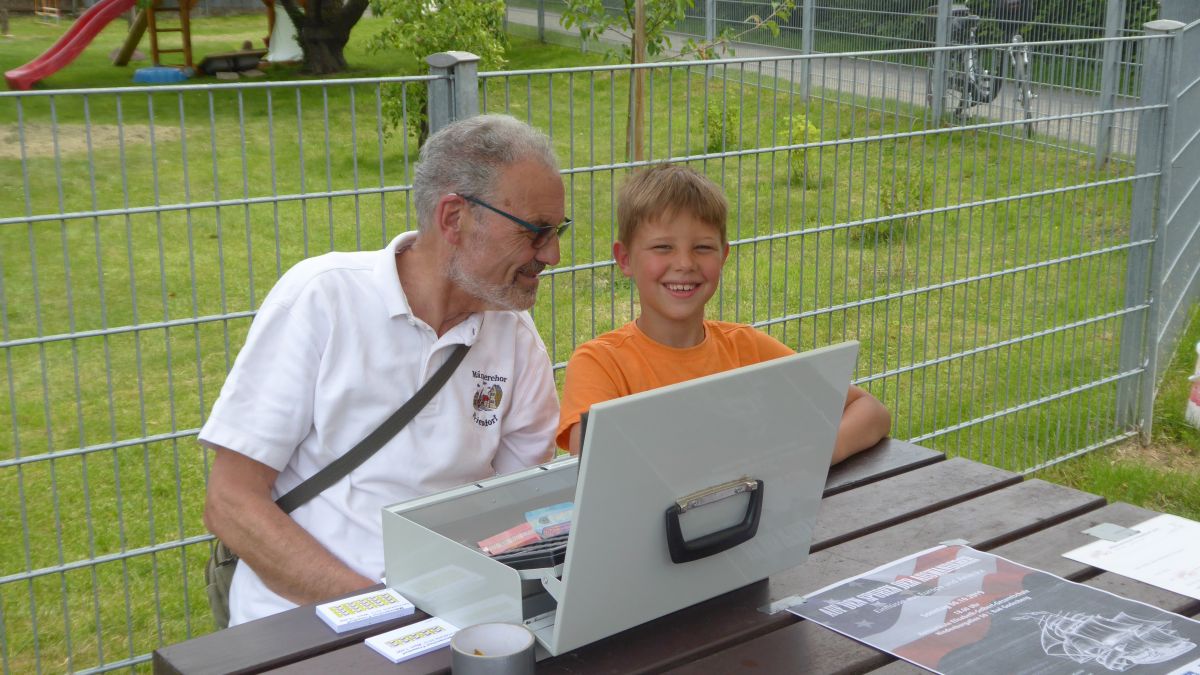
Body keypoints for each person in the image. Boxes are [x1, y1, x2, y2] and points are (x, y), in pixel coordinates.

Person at [201, 114, 568, 626]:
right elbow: (230, 502)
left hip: (445, 621)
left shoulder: (515, 337)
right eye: (535, 232)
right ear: (454, 218)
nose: (552, 254)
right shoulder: (324, 298)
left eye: (558, 231)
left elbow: (517, 510)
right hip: (304, 625)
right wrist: (384, 613)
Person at [557, 163, 890, 461]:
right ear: (625, 259)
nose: (685, 263)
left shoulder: (747, 349)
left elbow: (869, 410)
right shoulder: (599, 364)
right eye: (663, 247)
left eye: (702, 247)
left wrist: (822, 450)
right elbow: (593, 463)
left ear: (723, 256)